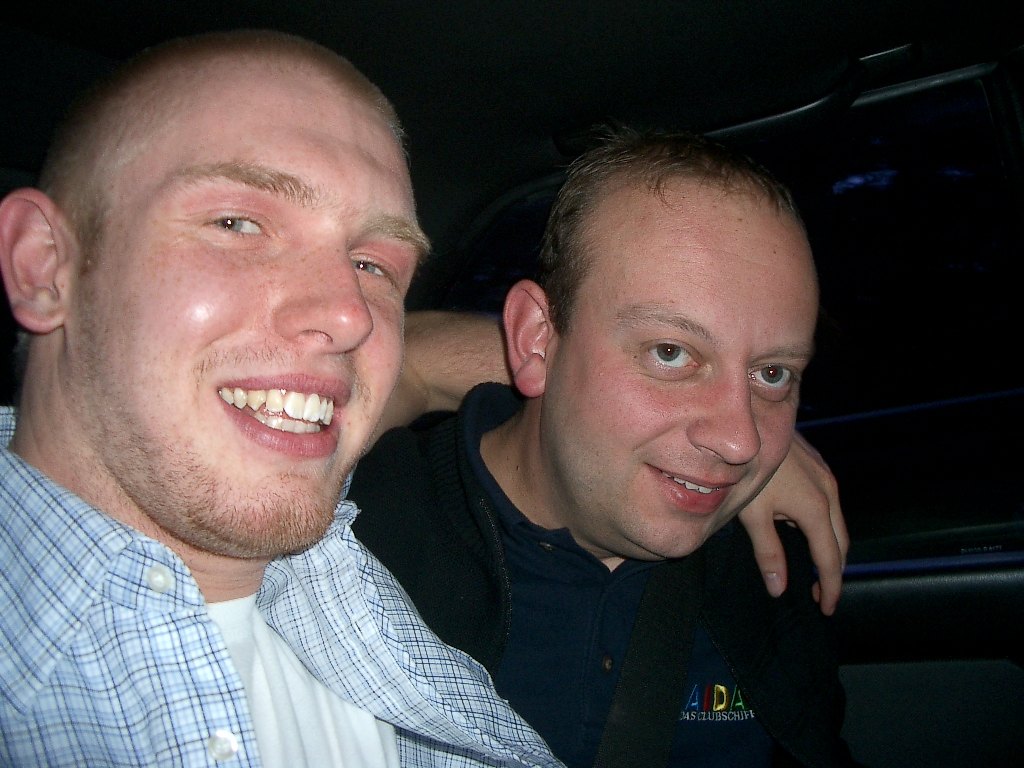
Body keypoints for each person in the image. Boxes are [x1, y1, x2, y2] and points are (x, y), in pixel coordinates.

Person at [0, 29, 563, 767]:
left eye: (371, 264)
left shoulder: (369, 619)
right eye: (237, 224)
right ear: (44, 266)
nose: (349, 315)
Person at [350, 127, 861, 767]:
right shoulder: (353, 541)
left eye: (773, 374)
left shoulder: (767, 568)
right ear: (536, 340)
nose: (740, 441)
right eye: (670, 353)